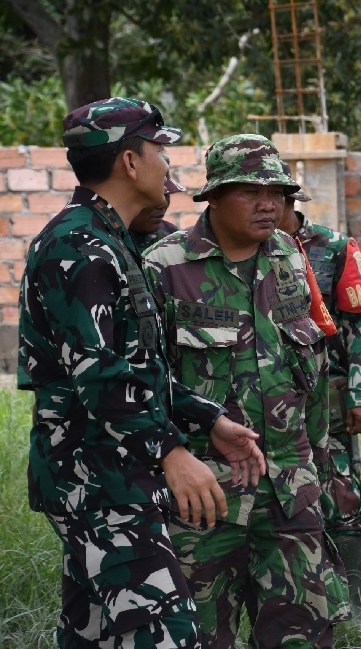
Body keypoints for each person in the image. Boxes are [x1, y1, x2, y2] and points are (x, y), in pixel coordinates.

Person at [19, 97, 265, 648]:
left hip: (111, 473)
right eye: (159, 150)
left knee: (95, 635)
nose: (167, 165)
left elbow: (136, 368)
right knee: (171, 636)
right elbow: (100, 379)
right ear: (130, 162)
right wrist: (171, 452)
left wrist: (207, 417)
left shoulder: (112, 241)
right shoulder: (79, 249)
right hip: (98, 482)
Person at [143, 134, 348, 649]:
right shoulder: (164, 267)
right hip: (205, 494)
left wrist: (321, 469)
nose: (269, 204)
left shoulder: (289, 259)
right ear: (213, 196)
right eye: (251, 191)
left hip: (290, 486)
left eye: (278, 192)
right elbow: (144, 383)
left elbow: (312, 377)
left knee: (302, 632)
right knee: (201, 634)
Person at [278, 179, 361, 622]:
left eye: (273, 201)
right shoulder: (247, 248)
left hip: (332, 393)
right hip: (274, 397)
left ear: (289, 202)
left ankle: (359, 606)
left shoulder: (333, 247)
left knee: (342, 493)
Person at [130, 160, 181, 254]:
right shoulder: (110, 240)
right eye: (150, 196)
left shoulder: (171, 234)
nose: (163, 204)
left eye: (166, 194)